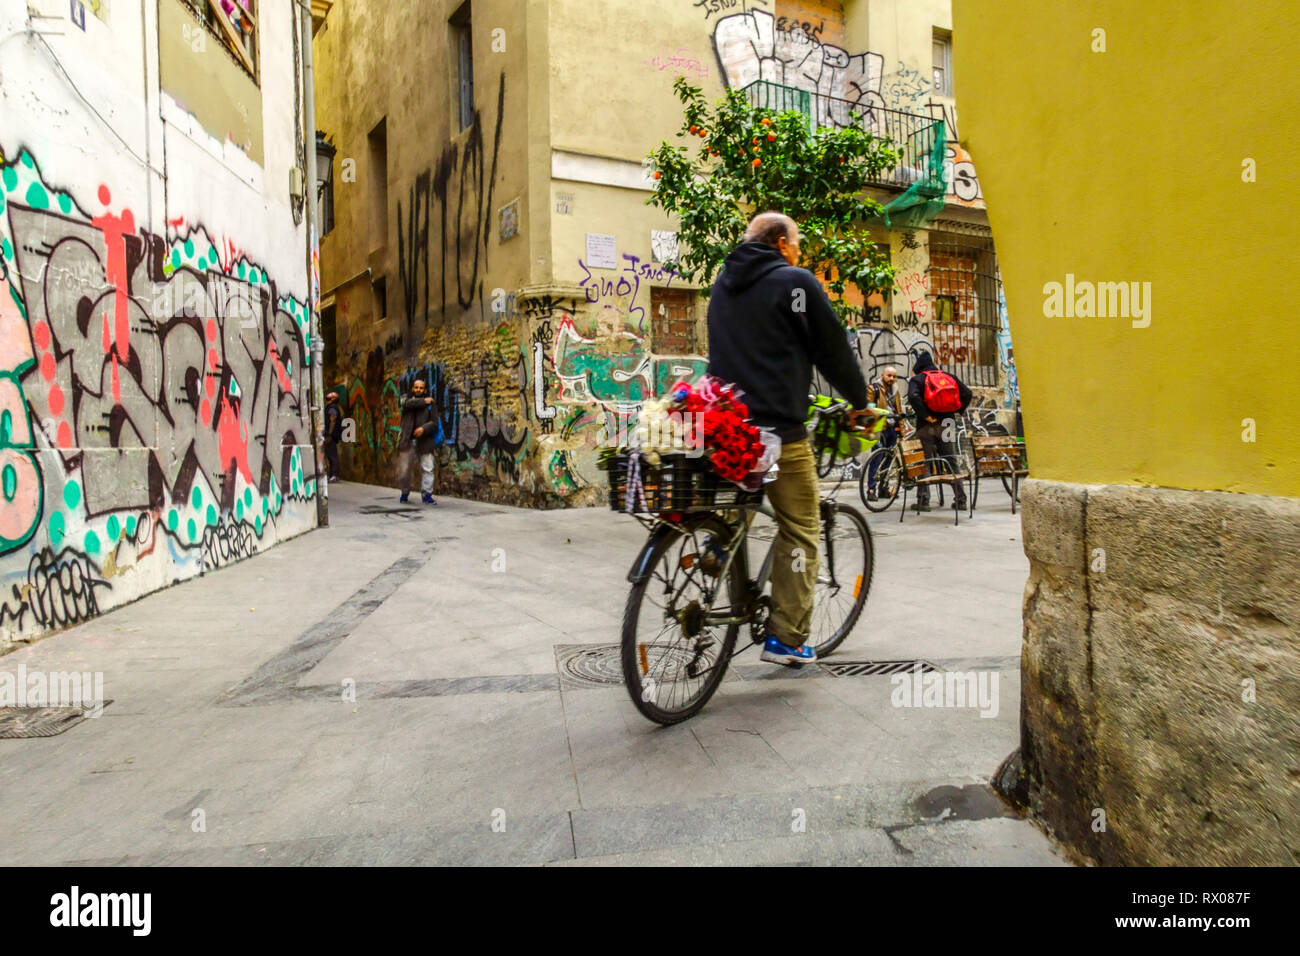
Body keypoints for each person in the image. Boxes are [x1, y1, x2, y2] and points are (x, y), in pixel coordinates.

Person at [707, 211, 871, 667]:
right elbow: (830, 348)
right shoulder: (793, 283)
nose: (799, 253)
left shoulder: (722, 285)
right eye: (797, 244)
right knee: (800, 526)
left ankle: (714, 550)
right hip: (778, 431)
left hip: (726, 427)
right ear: (780, 243)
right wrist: (858, 399)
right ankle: (787, 636)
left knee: (735, 508)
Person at [906, 350, 972, 512]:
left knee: (926, 461)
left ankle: (924, 500)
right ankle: (961, 499)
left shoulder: (918, 379)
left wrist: (926, 415)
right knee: (951, 459)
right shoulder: (949, 377)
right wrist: (958, 410)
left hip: (927, 425)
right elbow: (967, 394)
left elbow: (913, 396)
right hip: (948, 422)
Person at [864, 365, 906, 498]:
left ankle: (883, 488)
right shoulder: (873, 389)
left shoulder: (895, 391)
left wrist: (902, 430)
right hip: (880, 428)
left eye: (894, 376)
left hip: (892, 429)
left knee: (888, 460)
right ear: (882, 375)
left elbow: (898, 410)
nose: (892, 378)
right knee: (877, 458)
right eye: (889, 375)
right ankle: (871, 490)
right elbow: (868, 408)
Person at [397, 378, 440, 505]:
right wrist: (423, 401)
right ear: (412, 389)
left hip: (424, 441)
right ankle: (404, 493)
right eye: (416, 387)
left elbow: (435, 422)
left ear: (425, 390)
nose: (418, 390)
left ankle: (427, 494)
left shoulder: (431, 404)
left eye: (421, 388)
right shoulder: (406, 401)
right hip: (407, 441)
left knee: (428, 469)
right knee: (404, 470)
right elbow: (406, 404)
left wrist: (423, 428)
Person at [322, 391, 344, 481]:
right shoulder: (332, 407)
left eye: (327, 399)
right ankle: (332, 474)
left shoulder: (332, 408)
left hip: (331, 435)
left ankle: (334, 475)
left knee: (332, 454)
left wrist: (329, 434)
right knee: (330, 454)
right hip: (331, 435)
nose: (326, 400)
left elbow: (332, 420)